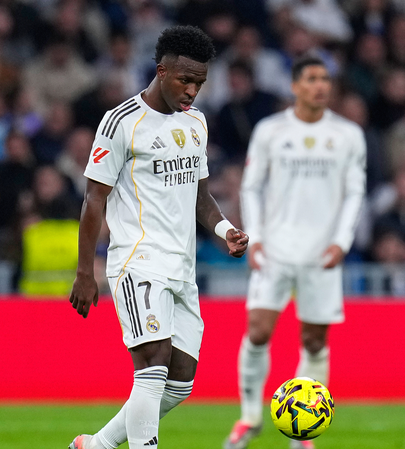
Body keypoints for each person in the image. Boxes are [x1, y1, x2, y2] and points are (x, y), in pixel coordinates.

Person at [67, 25, 249, 449]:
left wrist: (225, 230)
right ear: (161, 71)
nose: (192, 91)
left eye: (200, 83)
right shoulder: (120, 122)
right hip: (138, 261)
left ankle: (96, 445)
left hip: (182, 268)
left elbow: (201, 196)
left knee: (180, 382)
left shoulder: (196, 122)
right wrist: (85, 272)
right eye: (185, 80)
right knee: (152, 364)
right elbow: (94, 199)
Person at [224, 55, 366, 449]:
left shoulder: (348, 134)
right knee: (258, 331)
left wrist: (342, 240)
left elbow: (355, 192)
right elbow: (251, 186)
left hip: (322, 253)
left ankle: (303, 431)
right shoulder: (270, 130)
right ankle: (249, 417)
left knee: (315, 342)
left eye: (325, 79)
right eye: (312, 79)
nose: (321, 86)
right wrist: (254, 237)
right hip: (275, 249)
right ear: (295, 86)